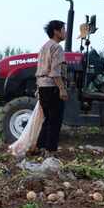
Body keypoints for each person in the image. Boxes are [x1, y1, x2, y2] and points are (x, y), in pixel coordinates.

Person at [34, 20, 69, 154]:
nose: (65, 32)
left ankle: (40, 147)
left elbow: (39, 70)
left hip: (42, 87)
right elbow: (55, 72)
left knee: (47, 119)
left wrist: (38, 89)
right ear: (56, 31)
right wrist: (62, 89)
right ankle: (51, 151)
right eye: (63, 29)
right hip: (52, 87)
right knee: (55, 120)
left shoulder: (43, 47)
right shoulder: (57, 48)